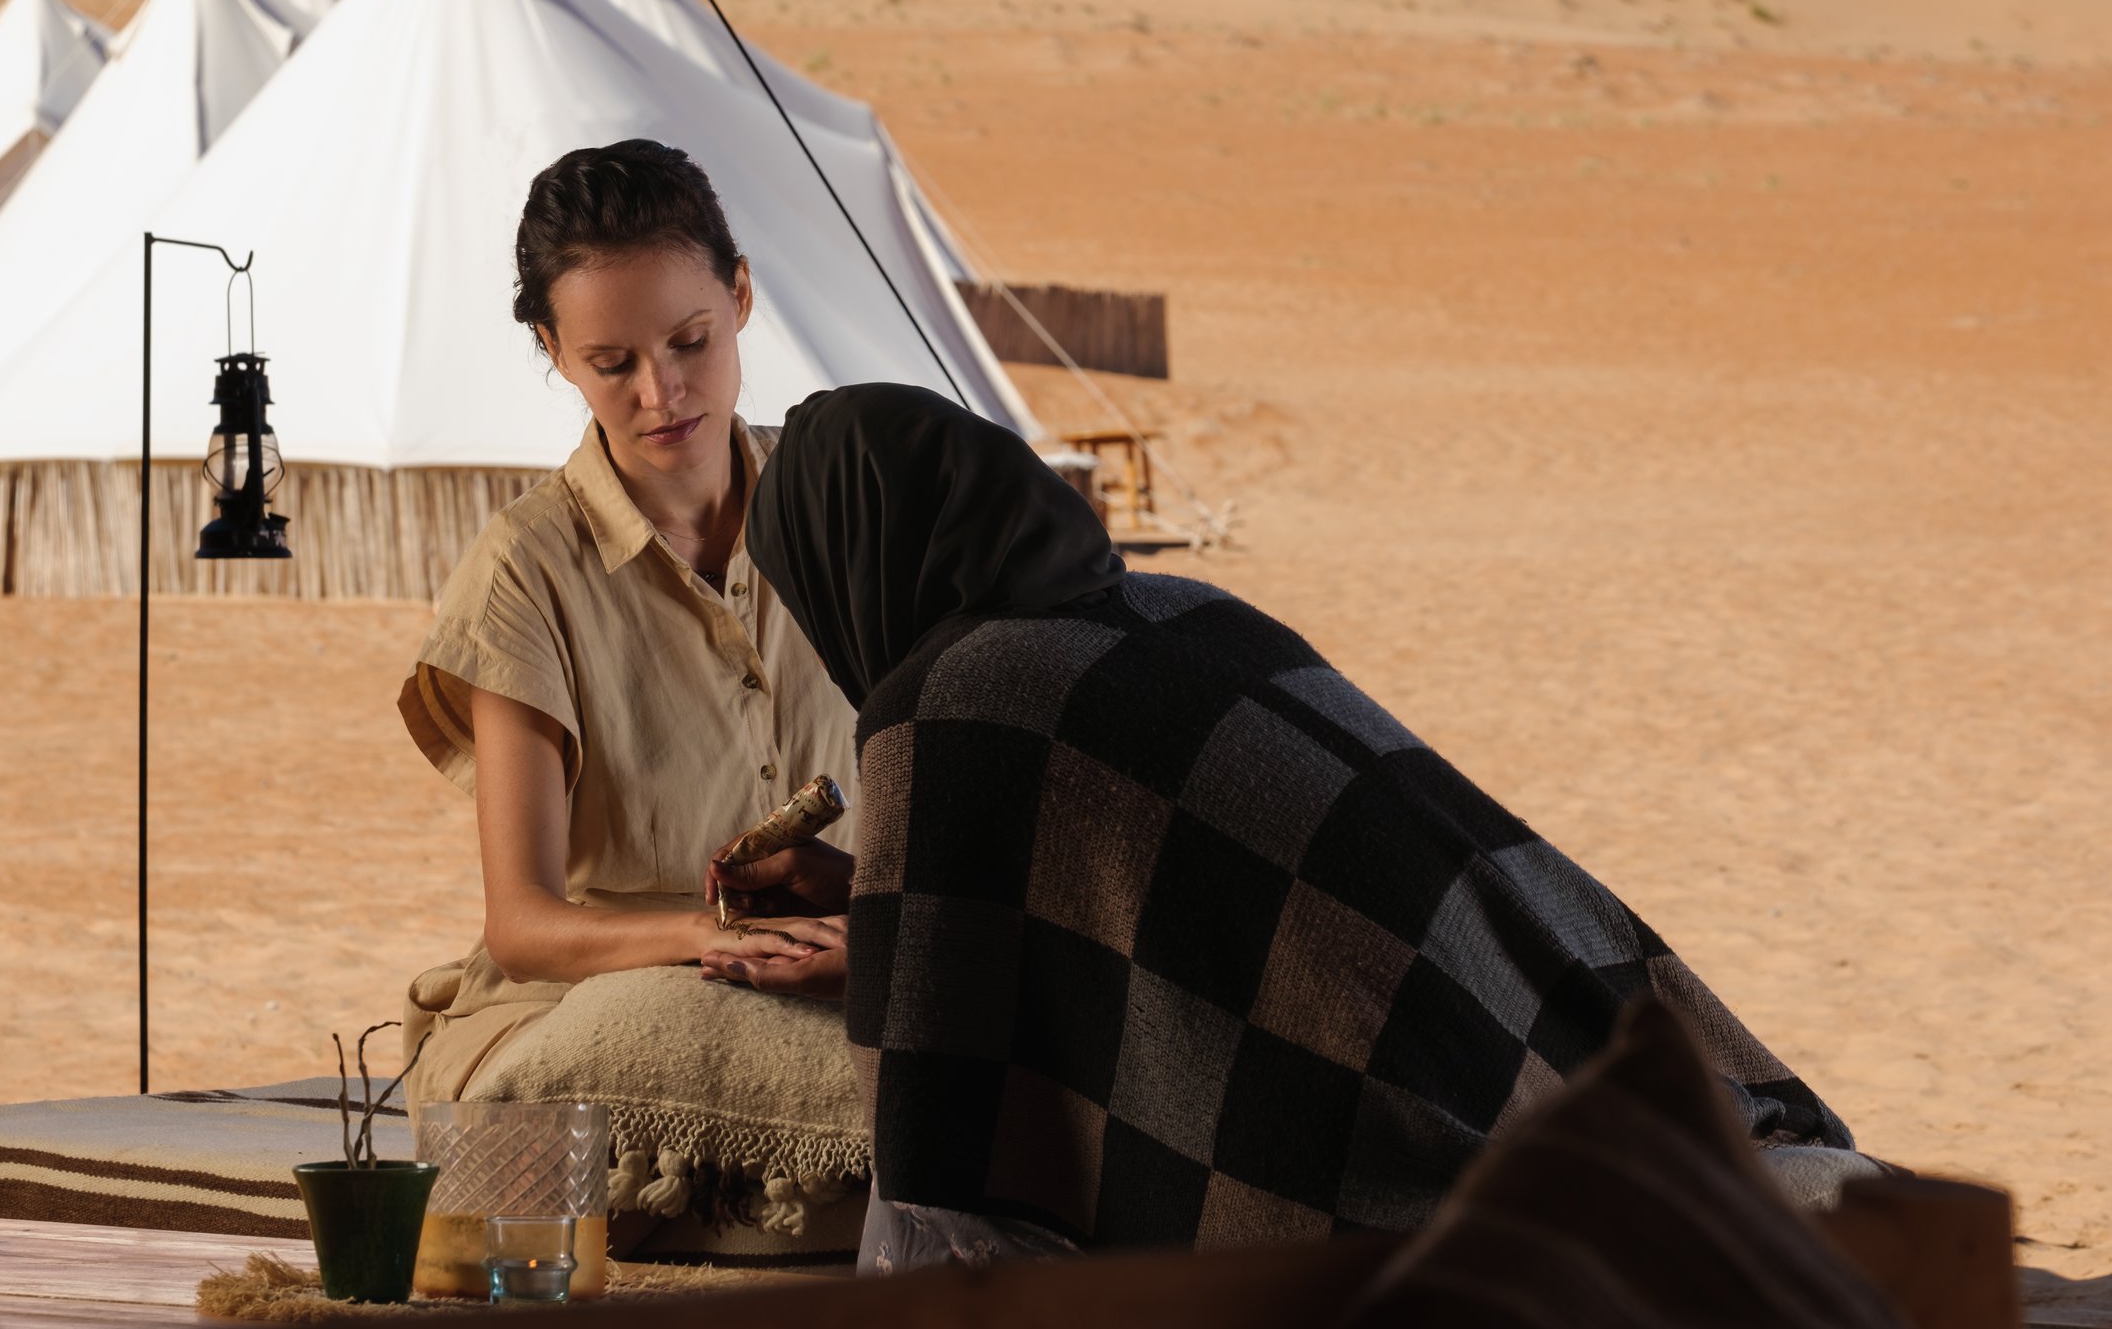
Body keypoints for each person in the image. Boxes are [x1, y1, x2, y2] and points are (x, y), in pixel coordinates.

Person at [711, 382, 1873, 1268]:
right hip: (1573, 1056)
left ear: (843, 560)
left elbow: (938, 1127)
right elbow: (1130, 884)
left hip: (1387, 1169)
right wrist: (866, 884)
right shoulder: (1180, 605)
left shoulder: (944, 700)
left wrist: (877, 940)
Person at [395, 140, 846, 1109]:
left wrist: (851, 898)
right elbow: (522, 925)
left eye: (690, 340)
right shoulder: (525, 568)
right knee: (653, 1047)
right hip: (590, 999)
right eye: (611, 362)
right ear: (555, 352)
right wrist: (704, 936)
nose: (661, 391)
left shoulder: (845, 507)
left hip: (836, 961)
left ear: (740, 296)